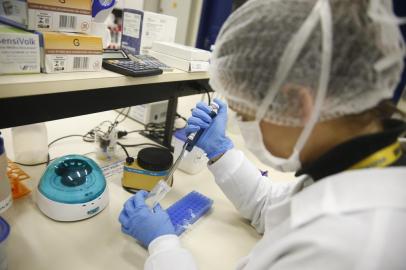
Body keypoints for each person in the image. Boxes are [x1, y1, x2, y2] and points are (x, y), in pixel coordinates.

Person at [119, 0, 406, 269]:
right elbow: (274, 209)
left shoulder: (344, 247)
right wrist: (219, 148)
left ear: (298, 104)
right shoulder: (359, 167)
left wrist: (163, 245)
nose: (243, 124)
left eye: (245, 115)